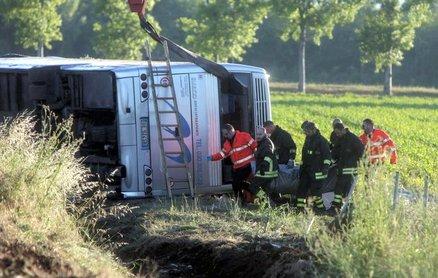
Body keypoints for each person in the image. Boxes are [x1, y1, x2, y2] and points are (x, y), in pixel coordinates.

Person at [207, 124, 257, 199]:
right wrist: (211, 158)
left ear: (231, 131)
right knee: (235, 185)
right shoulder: (227, 144)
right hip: (237, 168)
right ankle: (240, 200)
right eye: (224, 135)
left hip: (248, 165)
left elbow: (255, 146)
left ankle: (253, 191)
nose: (225, 136)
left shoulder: (244, 136)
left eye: (226, 134)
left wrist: (258, 160)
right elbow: (222, 154)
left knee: (237, 182)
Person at [296, 121, 331, 213]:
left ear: (313, 130)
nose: (305, 133)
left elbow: (327, 157)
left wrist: (325, 168)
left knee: (316, 192)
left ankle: (321, 209)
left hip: (317, 171)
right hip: (306, 170)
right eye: (305, 131)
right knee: (301, 189)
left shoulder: (322, 141)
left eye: (307, 131)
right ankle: (300, 208)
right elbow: (305, 154)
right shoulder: (308, 138)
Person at [329, 123, 364, 211]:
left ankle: (344, 208)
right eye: (336, 133)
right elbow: (335, 152)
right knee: (338, 189)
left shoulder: (353, 139)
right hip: (341, 169)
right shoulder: (340, 139)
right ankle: (337, 207)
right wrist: (331, 161)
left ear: (343, 130)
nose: (337, 135)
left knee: (346, 190)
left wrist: (360, 164)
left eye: (338, 132)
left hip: (350, 170)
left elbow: (362, 152)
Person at [247, 127, 279, 204]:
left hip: (267, 171)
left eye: (260, 134)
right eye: (257, 134)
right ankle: (269, 203)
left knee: (253, 187)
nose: (258, 136)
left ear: (265, 134)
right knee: (265, 189)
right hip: (266, 170)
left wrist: (263, 166)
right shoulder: (262, 142)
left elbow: (269, 155)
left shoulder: (266, 143)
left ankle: (266, 201)